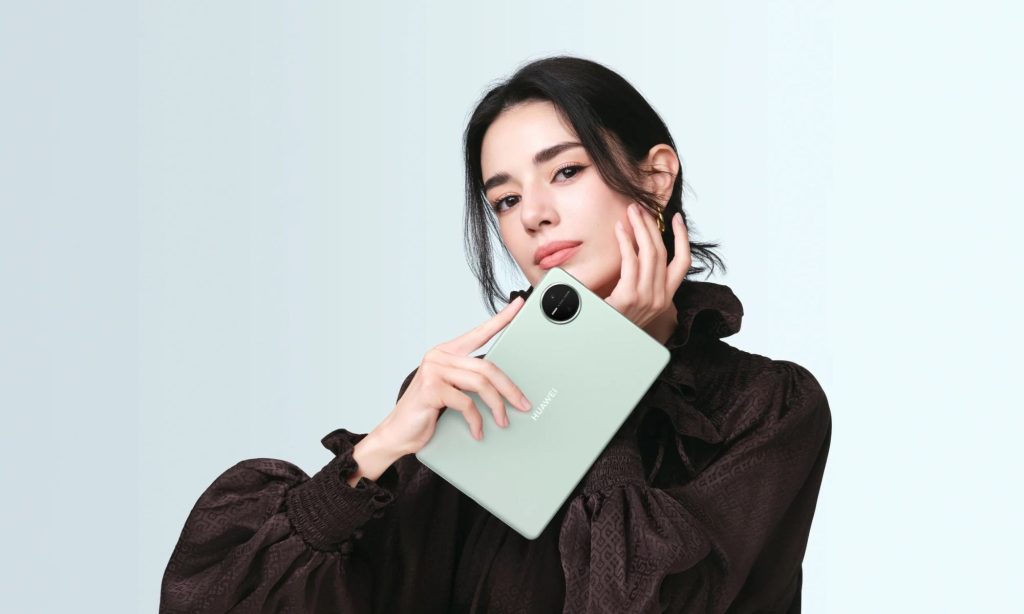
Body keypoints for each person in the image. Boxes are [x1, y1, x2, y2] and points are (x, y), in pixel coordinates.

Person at [159, 55, 831, 614]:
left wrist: (607, 366)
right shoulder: (467, 396)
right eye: (505, 199)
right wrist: (379, 449)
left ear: (656, 176)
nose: (533, 215)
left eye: (566, 171)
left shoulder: (767, 407)